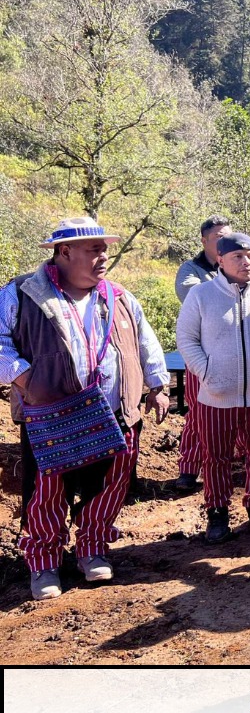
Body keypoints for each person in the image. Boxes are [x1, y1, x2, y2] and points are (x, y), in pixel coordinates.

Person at [0, 217, 170, 600]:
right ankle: (44, 562)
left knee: (108, 484)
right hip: (51, 413)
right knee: (47, 490)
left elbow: (146, 341)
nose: (104, 257)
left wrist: (158, 385)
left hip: (114, 412)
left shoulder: (120, 297)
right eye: (95, 250)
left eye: (104, 249)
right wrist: (26, 378)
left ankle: (93, 549)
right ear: (64, 252)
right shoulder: (21, 294)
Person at [176, 232, 250, 542]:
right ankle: (217, 512)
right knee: (215, 456)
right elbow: (186, 340)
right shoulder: (201, 296)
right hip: (216, 396)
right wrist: (206, 372)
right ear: (220, 260)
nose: (246, 262)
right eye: (238, 257)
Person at [173, 215, 233, 493]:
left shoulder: (238, 264)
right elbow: (193, 296)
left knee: (240, 410)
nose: (224, 241)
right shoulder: (190, 270)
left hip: (235, 352)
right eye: (219, 237)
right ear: (204, 241)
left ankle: (234, 466)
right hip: (202, 354)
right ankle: (189, 468)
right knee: (199, 411)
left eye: (228, 235)